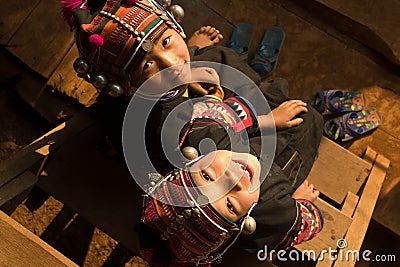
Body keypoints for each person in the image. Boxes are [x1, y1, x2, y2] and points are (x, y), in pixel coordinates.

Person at [60, 0, 324, 265]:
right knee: (304, 118)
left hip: (204, 136)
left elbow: (214, 127)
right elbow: (297, 223)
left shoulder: (126, 101)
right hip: (249, 157)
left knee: (216, 64)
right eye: (147, 66)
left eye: (165, 42)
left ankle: (232, 70)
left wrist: (188, 66)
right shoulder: (267, 202)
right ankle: (287, 94)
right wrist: (300, 204)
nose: (172, 63)